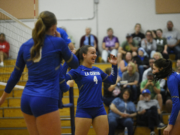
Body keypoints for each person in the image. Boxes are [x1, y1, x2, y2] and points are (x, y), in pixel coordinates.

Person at [0, 11, 79, 135]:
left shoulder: (25, 46)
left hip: (26, 99)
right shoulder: (58, 42)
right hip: (45, 99)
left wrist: (2, 98)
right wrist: (60, 41)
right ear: (53, 27)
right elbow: (75, 64)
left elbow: (15, 76)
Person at [62, 45, 117, 135]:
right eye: (92, 53)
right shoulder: (77, 70)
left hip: (99, 109)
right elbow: (62, 78)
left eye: (95, 53)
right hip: (84, 110)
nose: (95, 55)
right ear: (84, 55)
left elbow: (112, 80)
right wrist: (67, 62)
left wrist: (114, 66)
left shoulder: (97, 70)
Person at [152, 58, 180, 135]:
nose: (152, 71)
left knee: (171, 132)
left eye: (154, 69)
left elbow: (176, 104)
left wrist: (170, 125)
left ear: (161, 69)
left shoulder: (171, 79)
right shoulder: (172, 76)